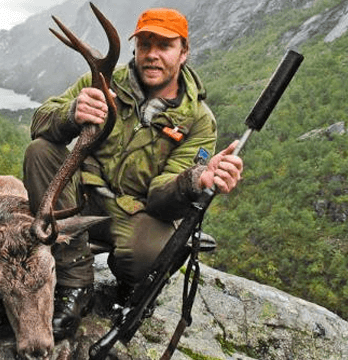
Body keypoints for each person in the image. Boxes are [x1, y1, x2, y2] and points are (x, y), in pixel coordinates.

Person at [23, 8, 243, 340]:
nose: (152, 55)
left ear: (183, 53)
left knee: (146, 260)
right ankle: (75, 282)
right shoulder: (103, 81)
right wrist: (71, 113)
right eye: (144, 44)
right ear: (135, 48)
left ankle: (131, 281)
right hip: (80, 198)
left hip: (135, 211)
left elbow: (162, 199)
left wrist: (196, 180)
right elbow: (40, 123)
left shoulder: (198, 119)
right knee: (39, 151)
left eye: (164, 46)